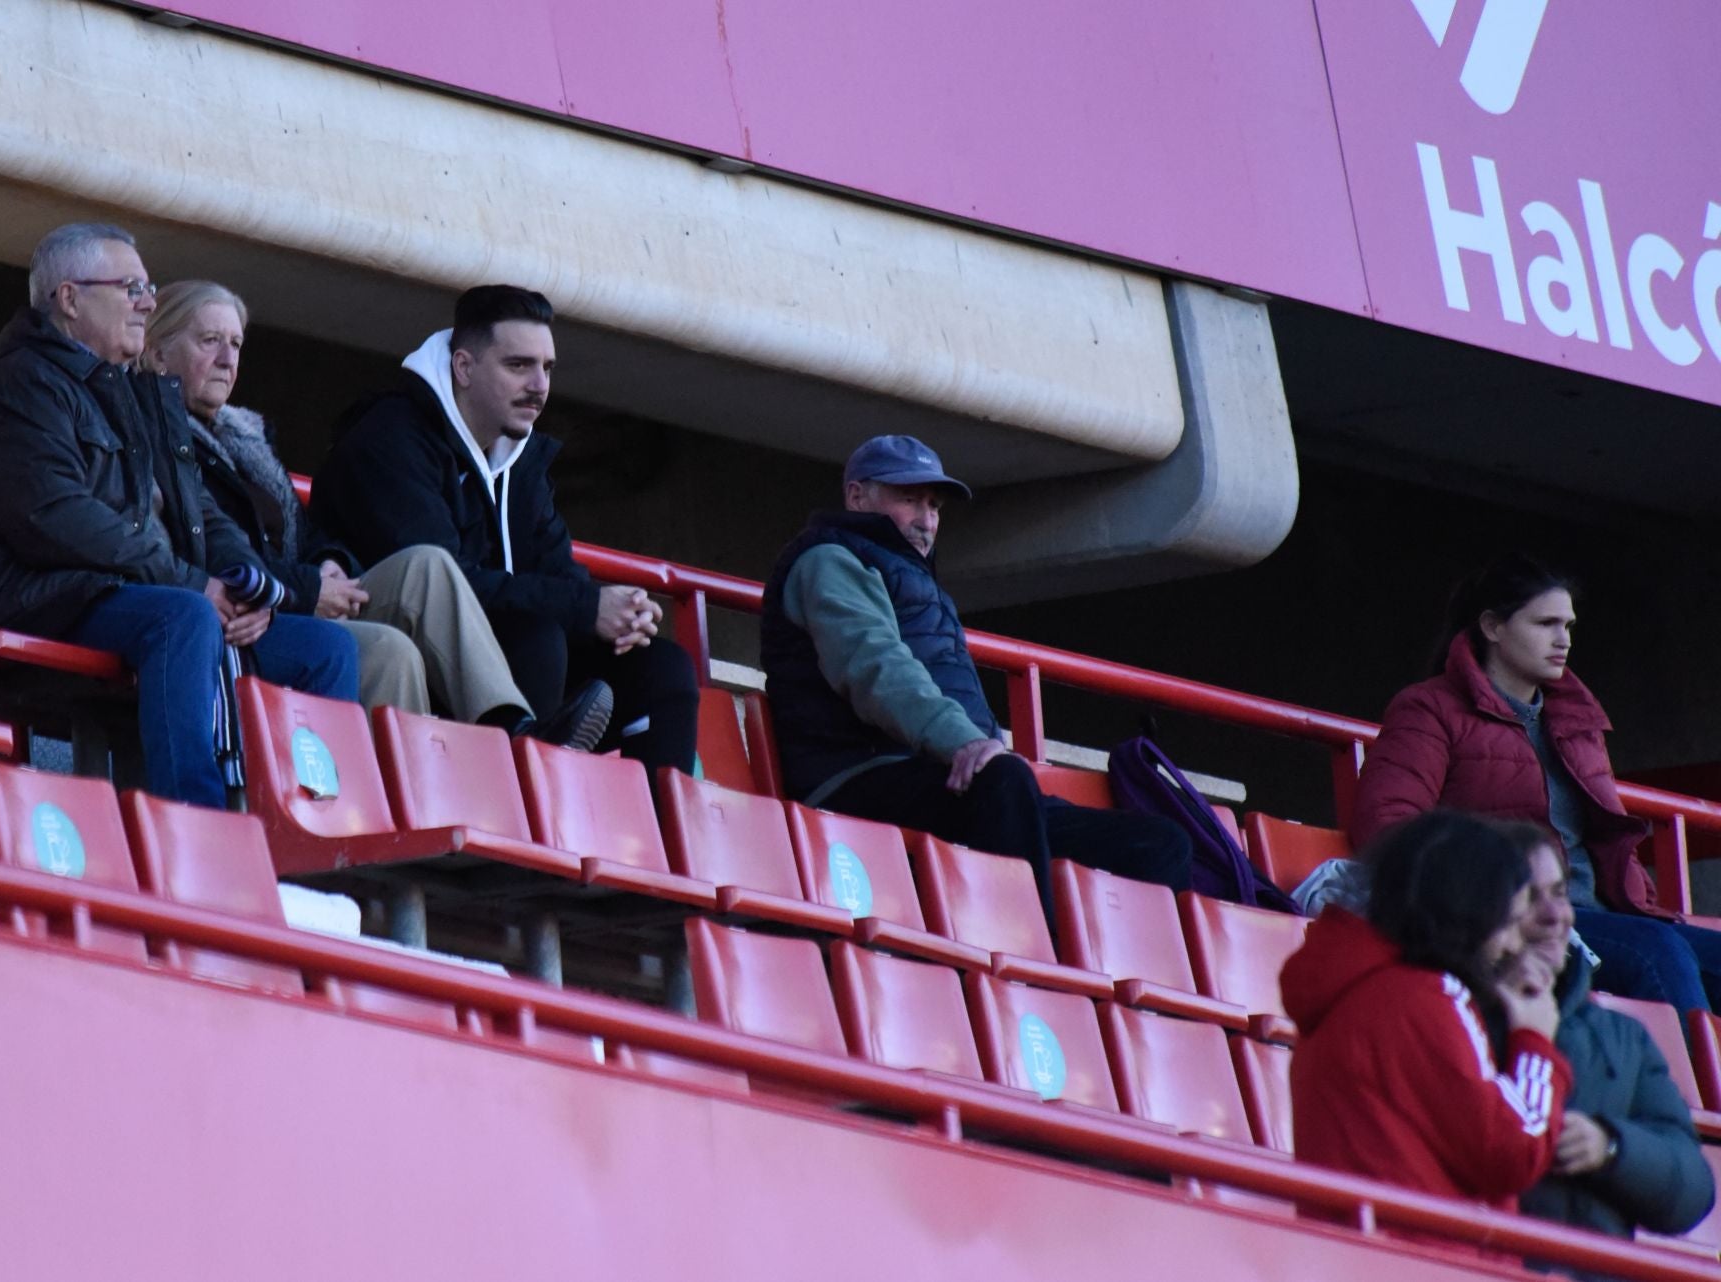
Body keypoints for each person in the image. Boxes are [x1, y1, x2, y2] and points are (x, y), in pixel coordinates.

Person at [0, 223, 358, 808]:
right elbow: (58, 520)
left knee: (327, 649)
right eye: (130, 286)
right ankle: (196, 819)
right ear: (70, 298)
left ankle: (312, 831)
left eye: (149, 286)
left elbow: (203, 513)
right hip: (42, 593)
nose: (148, 301)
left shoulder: (134, 390)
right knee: (183, 618)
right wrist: (193, 582)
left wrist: (249, 586)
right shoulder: (19, 383)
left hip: (127, 589)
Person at [139, 280, 610, 750]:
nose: (228, 358)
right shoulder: (147, 434)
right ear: (158, 353)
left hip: (294, 595)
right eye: (209, 341)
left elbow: (304, 535)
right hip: (241, 610)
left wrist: (327, 560)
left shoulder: (248, 439)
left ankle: (510, 726)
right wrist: (305, 587)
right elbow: (200, 547)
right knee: (391, 651)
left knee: (427, 563)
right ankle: (428, 803)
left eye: (236, 343)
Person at [758, 434, 1192, 913]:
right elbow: (874, 665)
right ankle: (1024, 962)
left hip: (940, 776)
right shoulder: (829, 559)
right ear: (857, 496)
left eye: (934, 506)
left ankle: (1102, 984)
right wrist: (964, 742)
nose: (926, 520)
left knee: (1160, 843)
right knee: (1003, 778)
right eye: (909, 500)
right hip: (859, 776)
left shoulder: (910, 577)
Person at [312, 285, 698, 778]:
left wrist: (618, 612)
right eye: (518, 366)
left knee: (661, 666)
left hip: (497, 650)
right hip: (397, 635)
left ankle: (662, 843)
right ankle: (517, 784)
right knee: (535, 637)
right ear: (464, 368)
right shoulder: (391, 437)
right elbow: (442, 585)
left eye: (547, 368)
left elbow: (557, 574)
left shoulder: (522, 462)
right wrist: (584, 608)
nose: (539, 385)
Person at [1352, 554, 1721, 1014]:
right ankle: (1696, 1088)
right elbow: (1387, 826)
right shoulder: (1428, 709)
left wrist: (1639, 898)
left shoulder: (1576, 721)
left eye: (1568, 626)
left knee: (1681, 946)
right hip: (1514, 919)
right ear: (1492, 627)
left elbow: (1603, 840)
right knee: (1658, 953)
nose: (1562, 640)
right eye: (1545, 624)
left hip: (1607, 916)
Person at [1281, 810, 1570, 1206]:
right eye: (1507, 922)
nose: (1511, 945)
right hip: (1422, 1259)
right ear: (1469, 914)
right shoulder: (1422, 999)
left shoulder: (1359, 989)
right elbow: (1515, 1150)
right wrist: (1535, 1041)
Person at [1509, 822, 1714, 1254]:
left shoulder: (1620, 1036)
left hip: (1609, 1269)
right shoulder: (1446, 1017)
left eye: (1560, 893)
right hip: (1498, 1267)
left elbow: (1694, 1190)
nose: (1555, 914)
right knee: (1660, 949)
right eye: (1530, 896)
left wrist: (1612, 1146)